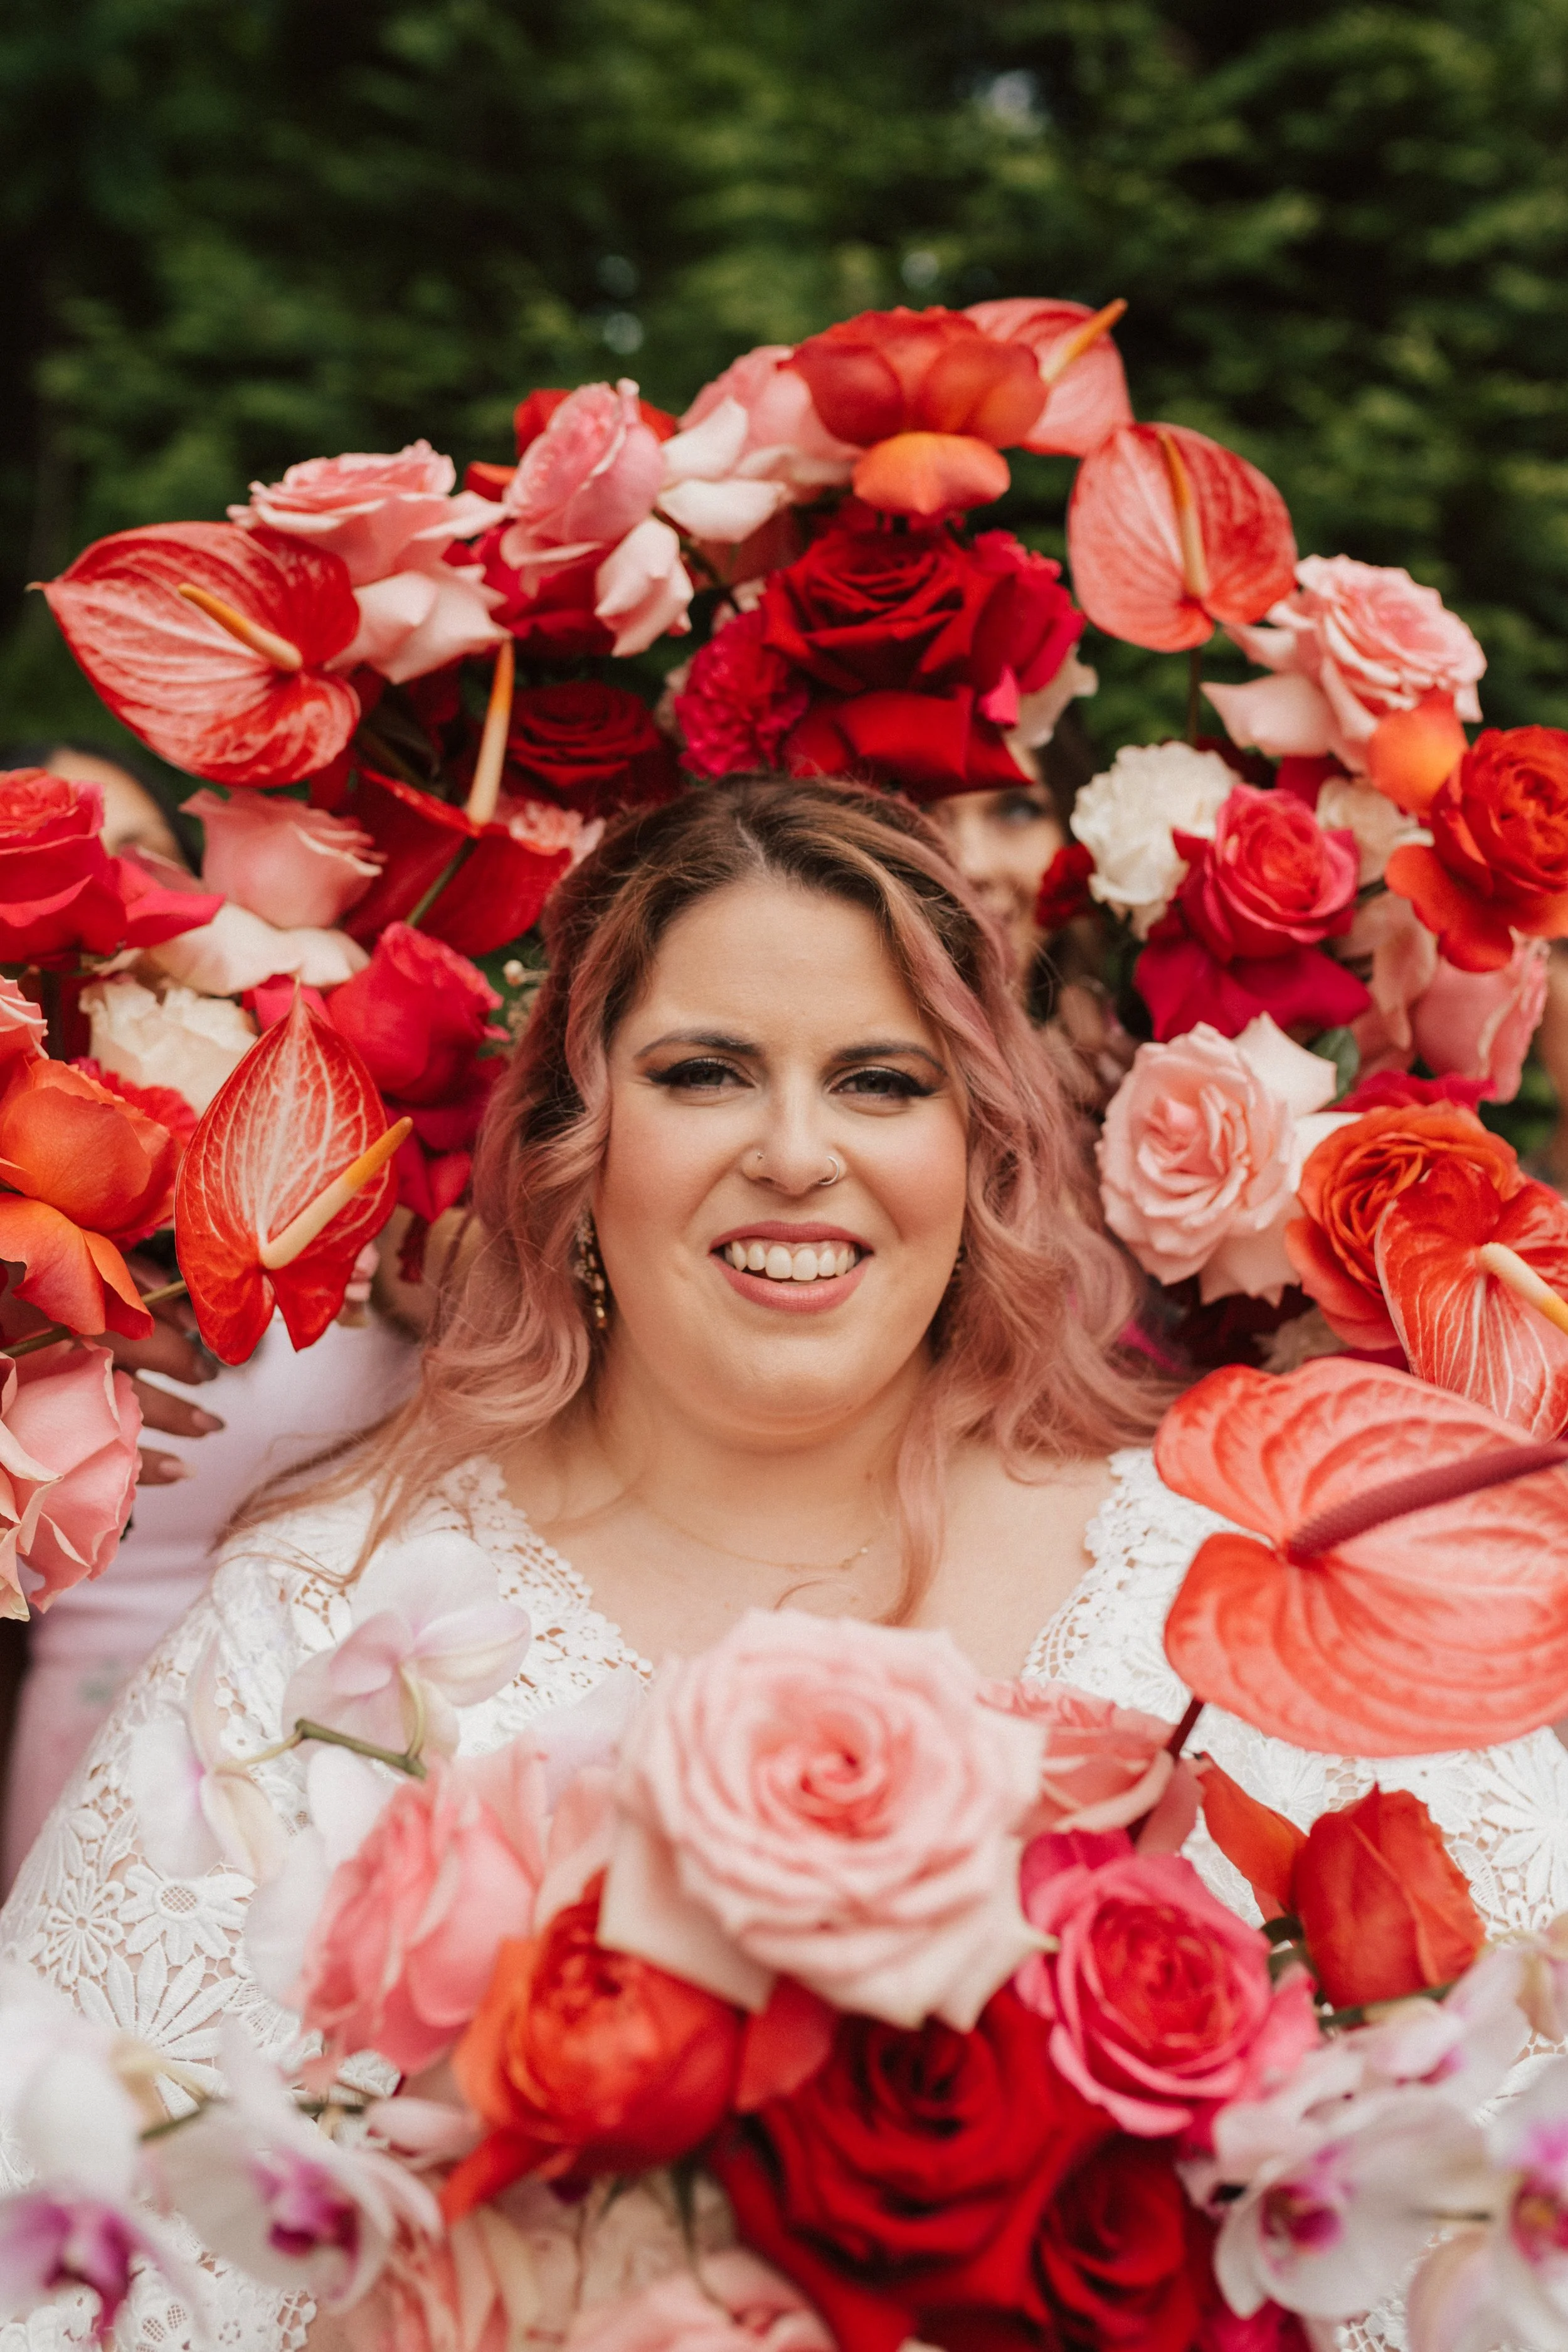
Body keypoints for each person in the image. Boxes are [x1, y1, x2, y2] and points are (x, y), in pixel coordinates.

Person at [1, 776, 1564, 2352]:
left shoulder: (1229, 1588)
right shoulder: (333, 1622)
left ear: (979, 1145)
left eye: (882, 1082)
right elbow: (70, 2257)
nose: (797, 1155)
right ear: (575, 1133)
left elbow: (1494, 2192)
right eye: (705, 1074)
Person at [0, 743, 420, 1890]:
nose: (109, 901)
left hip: (374, 1750)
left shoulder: (328, 1122)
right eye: (57, 872)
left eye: (136, 860)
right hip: (101, 1754)